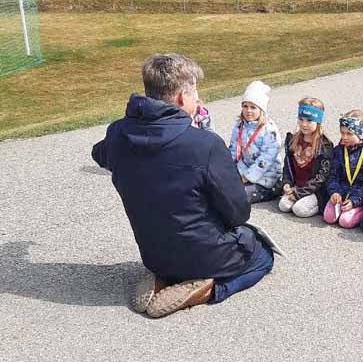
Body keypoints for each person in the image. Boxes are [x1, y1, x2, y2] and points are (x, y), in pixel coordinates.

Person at [91, 54, 274, 318]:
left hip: (154, 254)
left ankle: (164, 278)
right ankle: (209, 289)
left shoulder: (118, 134)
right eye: (194, 92)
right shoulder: (206, 145)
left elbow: (100, 155)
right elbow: (238, 213)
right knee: (263, 254)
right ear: (180, 98)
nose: (198, 99)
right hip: (205, 256)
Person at [278, 97, 333, 218]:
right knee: (284, 206)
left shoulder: (324, 146)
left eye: (309, 120)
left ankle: (320, 204)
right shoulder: (292, 140)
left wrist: (298, 194)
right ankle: (298, 197)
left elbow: (321, 177)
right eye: (301, 119)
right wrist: (286, 182)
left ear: (318, 122)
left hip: (313, 190)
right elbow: (288, 166)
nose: (304, 124)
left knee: (299, 210)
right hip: (296, 186)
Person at [324, 110, 363, 228]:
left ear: (360, 134)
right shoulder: (338, 150)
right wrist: (334, 192)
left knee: (345, 222)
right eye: (342, 133)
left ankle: (360, 209)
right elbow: (333, 175)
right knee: (328, 217)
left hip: (358, 195)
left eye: (349, 134)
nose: (344, 137)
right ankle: (341, 203)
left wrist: (355, 201)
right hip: (341, 192)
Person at [228, 80, 282, 204]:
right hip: (244, 167)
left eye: (253, 107)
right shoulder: (239, 126)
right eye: (245, 106)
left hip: (266, 175)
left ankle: (273, 190)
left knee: (237, 196)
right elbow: (233, 150)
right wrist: (227, 170)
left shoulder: (269, 129)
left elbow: (266, 159)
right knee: (223, 187)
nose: (248, 111)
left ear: (261, 109)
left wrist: (247, 177)